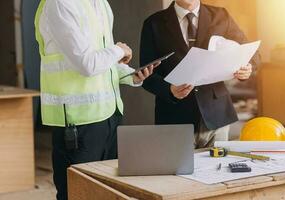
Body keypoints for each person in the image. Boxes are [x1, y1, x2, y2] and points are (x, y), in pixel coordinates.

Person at [35, 0, 158, 199]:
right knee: (78, 194)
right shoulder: (60, 4)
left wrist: (129, 74)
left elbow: (103, 62)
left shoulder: (100, 3)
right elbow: (86, 64)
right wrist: (120, 50)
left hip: (110, 117)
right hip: (78, 124)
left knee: (110, 192)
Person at [140, 0, 260, 148]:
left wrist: (247, 68)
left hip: (217, 117)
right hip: (174, 119)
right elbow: (146, 76)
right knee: (177, 171)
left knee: (217, 170)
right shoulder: (153, 23)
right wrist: (169, 90)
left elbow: (252, 55)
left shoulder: (221, 16)